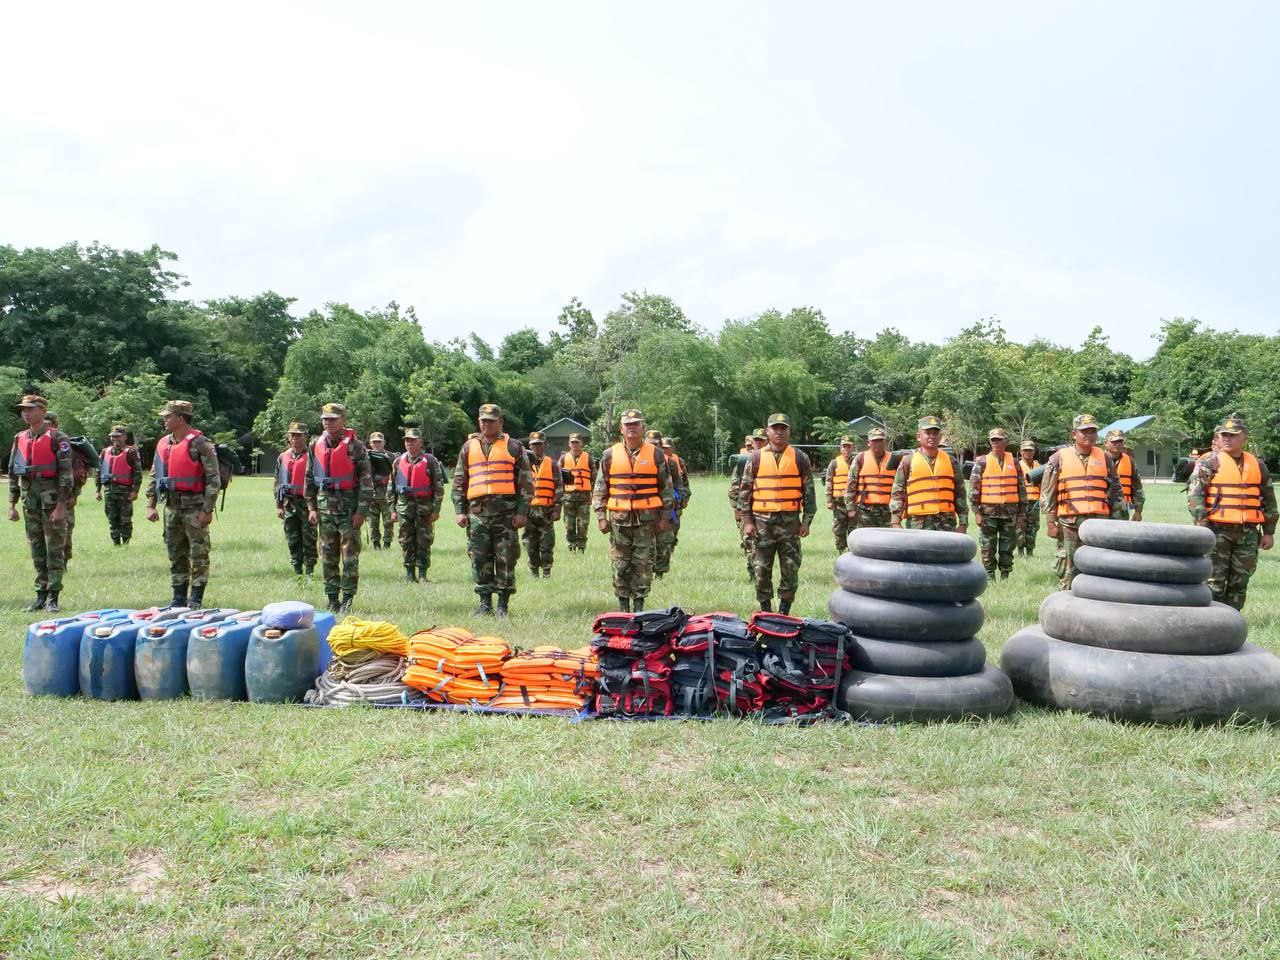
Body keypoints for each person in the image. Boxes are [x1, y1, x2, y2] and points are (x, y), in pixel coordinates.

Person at [1187, 414, 1277, 610]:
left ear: (1244, 437)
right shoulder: (1209, 462)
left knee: (1240, 583)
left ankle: (1232, 623)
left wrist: (1269, 531)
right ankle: (1212, 623)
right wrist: (1202, 526)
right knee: (1214, 582)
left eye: (1233, 435)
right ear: (1218, 438)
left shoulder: (1258, 465)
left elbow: (1269, 499)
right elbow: (1195, 496)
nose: (1227, 438)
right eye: (1224, 434)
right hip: (1216, 531)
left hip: (1248, 533)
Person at [452, 404, 533, 617]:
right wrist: (460, 510)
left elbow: (526, 482)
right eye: (483, 420)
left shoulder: (514, 447)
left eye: (491, 420)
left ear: (500, 422)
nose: (486, 423)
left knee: (506, 557)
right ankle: (485, 603)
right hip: (477, 515)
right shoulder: (468, 448)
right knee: (479, 558)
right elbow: (460, 481)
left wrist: (522, 512)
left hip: (506, 515)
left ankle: (503, 605)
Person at [592, 409, 674, 612]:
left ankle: (639, 608)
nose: (632, 428)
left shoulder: (656, 455)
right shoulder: (609, 455)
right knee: (620, 564)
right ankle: (623, 608)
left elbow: (666, 488)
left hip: (647, 521)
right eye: (628, 425)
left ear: (643, 428)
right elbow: (601, 488)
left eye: (636, 424)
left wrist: (665, 517)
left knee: (643, 564)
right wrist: (601, 517)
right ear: (621, 429)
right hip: (619, 521)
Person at [145, 400, 221, 609]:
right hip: (171, 508)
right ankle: (178, 597)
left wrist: (207, 510)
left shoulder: (200, 443)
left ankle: (195, 598)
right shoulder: (163, 444)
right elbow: (154, 475)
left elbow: (213, 479)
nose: (164, 420)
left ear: (180, 418)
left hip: (195, 508)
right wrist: (150, 504)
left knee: (199, 553)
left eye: (168, 416)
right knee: (175, 553)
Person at [738, 413, 816, 614]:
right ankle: (765, 610)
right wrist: (747, 521)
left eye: (783, 428)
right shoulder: (755, 458)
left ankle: (783, 611)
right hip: (762, 523)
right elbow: (744, 492)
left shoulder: (800, 458)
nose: (779, 432)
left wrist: (806, 521)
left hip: (790, 524)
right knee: (761, 569)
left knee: (790, 569)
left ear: (789, 431)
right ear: (768, 431)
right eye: (775, 428)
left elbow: (809, 493)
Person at [1039, 414, 1125, 590]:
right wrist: (1050, 522)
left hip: (1099, 523)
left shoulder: (1105, 458)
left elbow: (1116, 492)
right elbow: (1047, 492)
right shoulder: (1058, 458)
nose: (1089, 435)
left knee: (1098, 565)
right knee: (1069, 568)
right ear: (1074, 433)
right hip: (1070, 523)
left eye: (1093, 431)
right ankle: (1065, 605)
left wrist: (1119, 523)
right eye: (1084, 431)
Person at [8, 395, 73, 611]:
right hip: (30, 502)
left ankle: (53, 597)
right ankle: (40, 595)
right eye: (23, 409)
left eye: (30, 409)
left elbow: (66, 475)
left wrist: (61, 506)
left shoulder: (58, 438)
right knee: (36, 547)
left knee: (54, 547)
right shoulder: (20, 438)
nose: (25, 413)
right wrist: (12, 504)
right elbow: (13, 471)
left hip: (52, 501)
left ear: (43, 411)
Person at [308, 403, 373, 612]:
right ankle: (332, 598)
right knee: (327, 555)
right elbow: (309, 478)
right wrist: (311, 507)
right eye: (325, 419)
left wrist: (361, 512)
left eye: (333, 419)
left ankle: (347, 599)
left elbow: (366, 482)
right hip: (325, 510)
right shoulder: (314, 445)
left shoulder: (356, 446)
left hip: (349, 511)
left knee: (349, 556)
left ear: (344, 420)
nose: (328, 422)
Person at [890, 416, 968, 533]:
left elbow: (960, 493)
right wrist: (895, 521)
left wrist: (963, 523)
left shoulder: (952, 461)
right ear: (918, 436)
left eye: (935, 433)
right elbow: (898, 492)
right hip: (917, 523)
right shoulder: (908, 461)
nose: (931, 436)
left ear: (940, 437)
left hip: (946, 523)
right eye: (927, 433)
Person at [969, 427, 1027, 581]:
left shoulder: (1014, 463)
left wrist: (1021, 514)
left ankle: (1005, 574)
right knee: (988, 546)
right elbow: (974, 489)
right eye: (993, 440)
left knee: (1007, 546)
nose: (995, 443)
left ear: (1005, 441)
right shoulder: (981, 462)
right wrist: (977, 512)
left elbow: (1021, 489)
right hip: (988, 513)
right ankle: (989, 575)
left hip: (1010, 512)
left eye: (999, 440)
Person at [391, 427, 446, 583]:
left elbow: (438, 487)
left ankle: (422, 574)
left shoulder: (430, 461)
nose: (409, 443)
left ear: (421, 442)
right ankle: (409, 574)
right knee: (406, 540)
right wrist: (392, 510)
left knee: (424, 540)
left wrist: (436, 509)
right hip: (404, 507)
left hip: (424, 508)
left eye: (413, 440)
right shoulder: (398, 461)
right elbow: (392, 487)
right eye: (407, 440)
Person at [44, 411, 90, 567]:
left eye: (49, 423)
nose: (46, 426)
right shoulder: (34, 442)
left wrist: (74, 495)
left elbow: (78, 475)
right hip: (42, 497)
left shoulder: (65, 446)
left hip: (64, 498)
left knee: (64, 532)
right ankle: (49, 567)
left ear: (55, 425)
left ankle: (62, 564)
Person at [274, 422, 317, 578]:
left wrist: (314, 506)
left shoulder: (312, 456)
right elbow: (277, 483)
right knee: (292, 538)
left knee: (309, 538)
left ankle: (310, 572)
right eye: (292, 435)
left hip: (306, 504)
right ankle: (297, 571)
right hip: (288, 503)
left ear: (306, 436)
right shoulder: (282, 457)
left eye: (299, 435)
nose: (295, 438)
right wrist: (278, 505)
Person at [523, 431, 563, 578]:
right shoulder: (523, 465)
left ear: (545, 445)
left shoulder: (552, 464)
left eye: (540, 444)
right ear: (529, 446)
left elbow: (559, 487)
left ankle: (547, 572)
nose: (537, 448)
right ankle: (534, 572)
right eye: (534, 445)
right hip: (528, 511)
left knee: (547, 544)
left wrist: (557, 509)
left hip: (547, 511)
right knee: (529, 544)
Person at [95, 424, 142, 546]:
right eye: (113, 436)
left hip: (125, 492)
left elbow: (138, 473)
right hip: (109, 491)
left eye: (118, 436)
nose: (115, 439)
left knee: (125, 519)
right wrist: (97, 490)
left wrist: (135, 491)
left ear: (125, 437)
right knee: (112, 518)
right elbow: (99, 471)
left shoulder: (131, 452)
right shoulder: (105, 452)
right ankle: (116, 543)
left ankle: (126, 543)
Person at [730, 429, 768, 580]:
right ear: (752, 442)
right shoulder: (743, 461)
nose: (758, 443)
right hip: (746, 509)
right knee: (748, 541)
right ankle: (753, 573)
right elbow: (734, 487)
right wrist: (736, 509)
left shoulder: (771, 459)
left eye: (761, 440)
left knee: (763, 544)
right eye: (756, 440)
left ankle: (761, 573)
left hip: (764, 509)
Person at [845, 426, 895, 530]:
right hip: (866, 509)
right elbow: (851, 483)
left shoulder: (893, 459)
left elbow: (900, 485)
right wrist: (850, 507)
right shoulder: (860, 458)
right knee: (867, 539)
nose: (878, 443)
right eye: (875, 441)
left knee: (887, 541)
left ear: (885, 442)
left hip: (888, 510)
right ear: (868, 442)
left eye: (880, 440)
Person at [656, 436, 690, 575]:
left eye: (666, 447)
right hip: (650, 506)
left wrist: (681, 503)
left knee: (668, 538)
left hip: (671, 507)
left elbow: (681, 485)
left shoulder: (673, 463)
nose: (663, 450)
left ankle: (660, 571)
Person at [559, 433, 594, 553]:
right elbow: (558, 478)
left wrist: (593, 495)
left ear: (581, 443)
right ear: (569, 444)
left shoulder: (588, 458)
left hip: (584, 497)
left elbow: (594, 479)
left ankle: (581, 547)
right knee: (569, 524)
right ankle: (571, 546)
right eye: (572, 442)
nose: (574, 445)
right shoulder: (563, 459)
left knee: (583, 525)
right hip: (568, 497)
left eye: (577, 442)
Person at [1104, 429, 1144, 521]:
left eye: (1120, 441)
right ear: (1106, 443)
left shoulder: (1130, 461)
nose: (1118, 444)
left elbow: (1137, 487)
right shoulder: (1098, 460)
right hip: (1102, 507)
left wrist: (1138, 511)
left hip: (1122, 509)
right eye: (1114, 441)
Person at [825, 435, 856, 551]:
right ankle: (841, 550)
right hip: (839, 502)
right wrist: (829, 500)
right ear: (840, 448)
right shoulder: (834, 463)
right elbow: (829, 481)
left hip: (853, 502)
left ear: (853, 448)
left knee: (854, 528)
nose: (846, 449)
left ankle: (853, 551)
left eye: (849, 447)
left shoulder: (857, 462)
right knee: (839, 527)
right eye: (844, 447)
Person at [366, 432, 396, 550]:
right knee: (373, 523)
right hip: (371, 495)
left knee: (388, 522)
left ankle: (387, 544)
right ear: (370, 443)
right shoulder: (365, 456)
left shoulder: (391, 456)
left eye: (379, 442)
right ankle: (376, 545)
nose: (377, 444)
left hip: (387, 495)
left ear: (383, 443)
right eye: (374, 442)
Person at [1017, 440, 1041, 557]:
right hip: (1021, 502)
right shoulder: (1017, 466)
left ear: (1034, 451)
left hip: (1035, 502)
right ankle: (1020, 552)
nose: (1028, 452)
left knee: (1033, 528)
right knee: (1020, 527)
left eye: (1030, 450)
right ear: (1021, 452)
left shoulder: (1039, 467)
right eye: (1025, 450)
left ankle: (1030, 552)